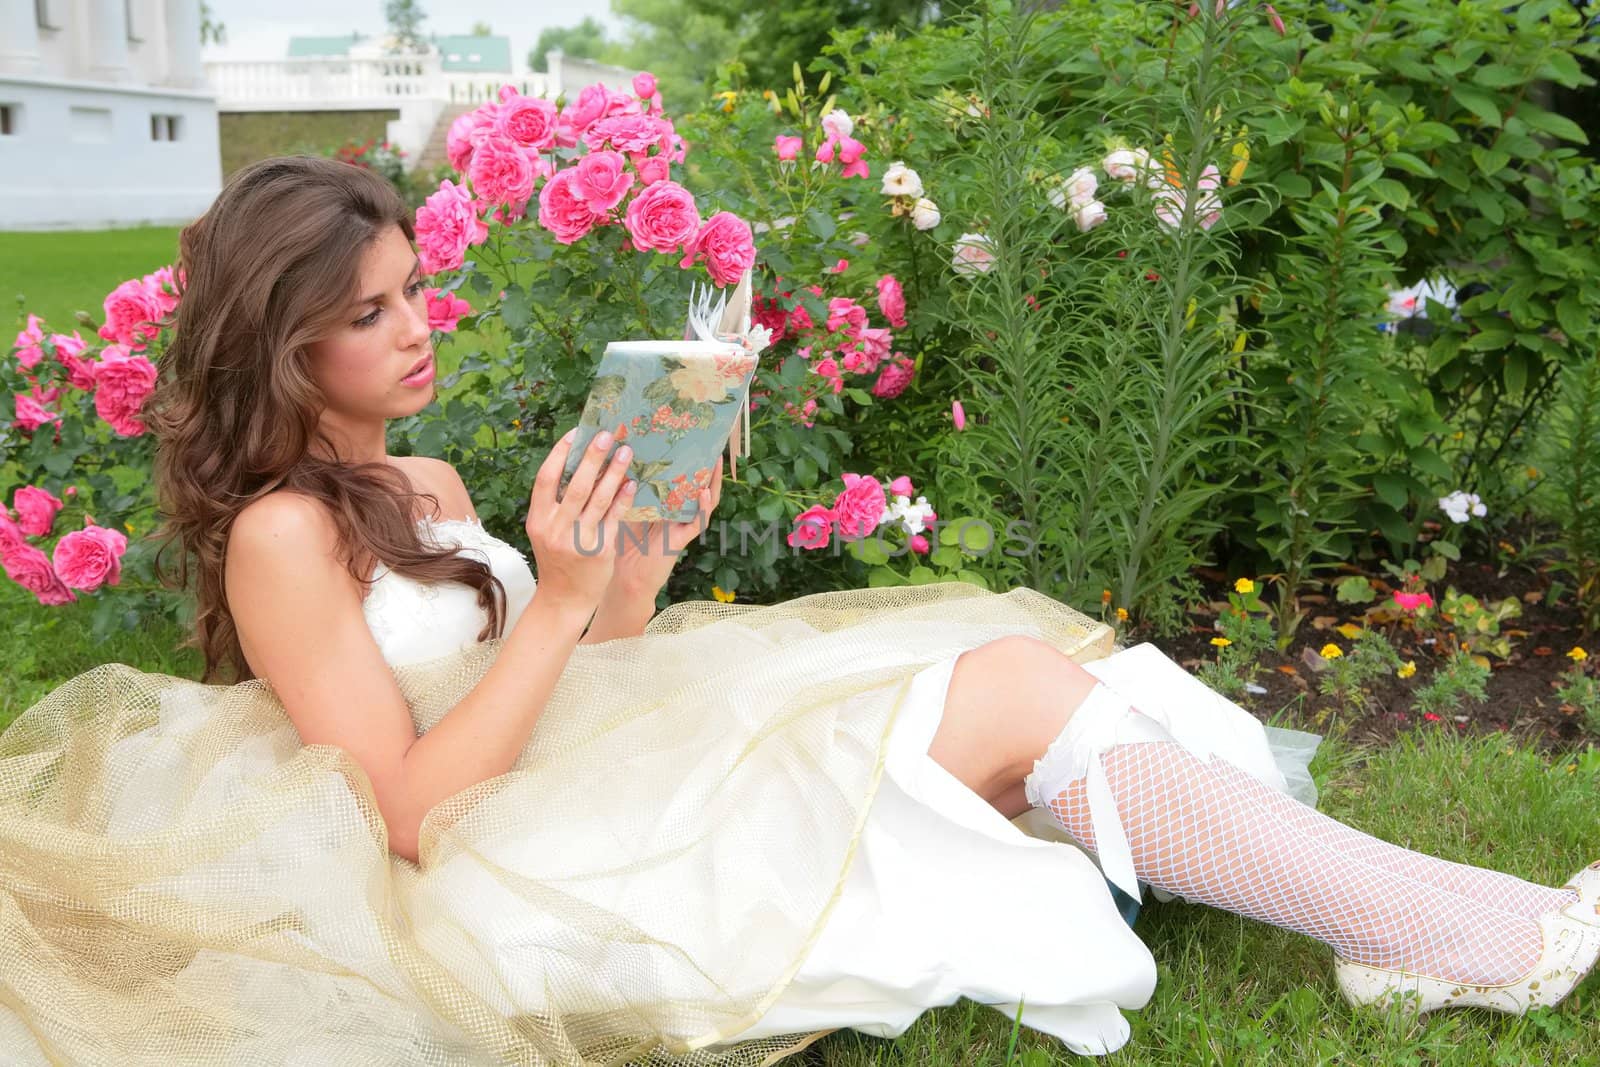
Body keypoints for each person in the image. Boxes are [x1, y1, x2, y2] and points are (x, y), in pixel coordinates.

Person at [0, 156, 1594, 1066]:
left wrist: (638, 557)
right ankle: (1462, 934)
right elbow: (407, 809)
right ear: (283, 347)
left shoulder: (413, 470)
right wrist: (555, 604)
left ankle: (1420, 924)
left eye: (416, 285)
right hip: (486, 854)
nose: (418, 328)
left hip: (578, 750)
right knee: (1007, 701)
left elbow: (579, 656)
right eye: (370, 313)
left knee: (1012, 682)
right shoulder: (282, 533)